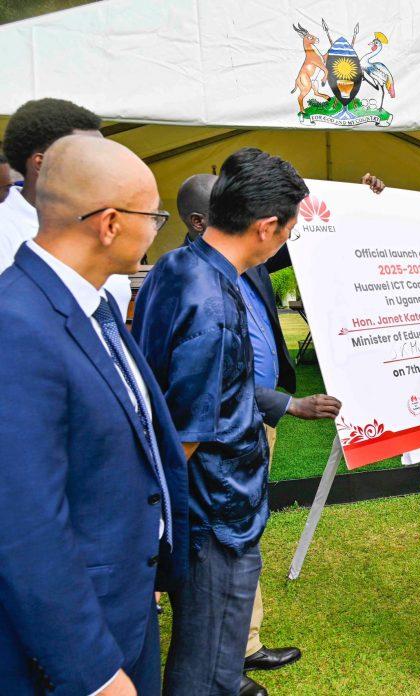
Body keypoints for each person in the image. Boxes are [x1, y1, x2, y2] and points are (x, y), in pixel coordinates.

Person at [175, 171, 381, 690]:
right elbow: (216, 379)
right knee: (221, 545)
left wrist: (352, 203)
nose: (267, 233)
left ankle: (243, 645)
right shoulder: (193, 282)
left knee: (245, 532)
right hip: (220, 430)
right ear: (203, 221)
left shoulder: (251, 257)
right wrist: (288, 403)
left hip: (254, 420)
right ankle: (221, 664)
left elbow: (300, 240)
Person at [0, 136, 188, 695]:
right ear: (109, 223)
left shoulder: (98, 302)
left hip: (126, 596)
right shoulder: (18, 325)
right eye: (152, 216)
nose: (156, 228)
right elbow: (25, 526)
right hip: (75, 645)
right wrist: (94, 673)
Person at [133, 148, 309, 695]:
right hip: (215, 514)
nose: (286, 242)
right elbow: (184, 438)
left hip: (210, 507)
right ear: (265, 227)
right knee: (208, 662)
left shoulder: (176, 267)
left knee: (207, 646)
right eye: (287, 231)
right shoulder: (212, 305)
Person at [0, 98, 131, 318]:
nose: (102, 168)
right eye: (89, 158)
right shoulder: (5, 229)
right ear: (42, 164)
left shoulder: (101, 223)